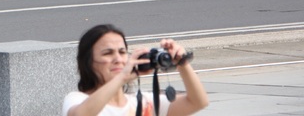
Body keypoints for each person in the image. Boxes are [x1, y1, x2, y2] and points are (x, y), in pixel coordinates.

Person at [63, 24, 208, 116]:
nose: (118, 59)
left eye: (122, 52)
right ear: (88, 62)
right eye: (107, 53)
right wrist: (122, 77)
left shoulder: (142, 103)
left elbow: (197, 102)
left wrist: (182, 63)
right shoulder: (77, 99)